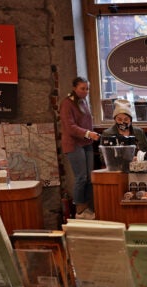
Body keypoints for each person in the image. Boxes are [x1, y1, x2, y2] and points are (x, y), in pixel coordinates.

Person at [60, 77, 100, 220]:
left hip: (86, 143)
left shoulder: (84, 102)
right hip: (73, 144)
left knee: (90, 177)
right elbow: (70, 127)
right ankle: (79, 208)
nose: (85, 91)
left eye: (87, 89)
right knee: (81, 177)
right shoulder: (67, 104)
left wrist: (90, 135)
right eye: (82, 88)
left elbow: (87, 122)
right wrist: (88, 133)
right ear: (74, 88)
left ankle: (87, 206)